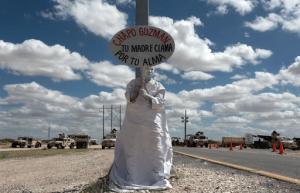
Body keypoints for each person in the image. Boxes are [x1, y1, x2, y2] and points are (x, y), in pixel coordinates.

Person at [109, 67, 173, 192]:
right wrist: (137, 89)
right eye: (145, 69)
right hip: (134, 121)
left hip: (152, 121)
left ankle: (156, 177)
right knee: (134, 147)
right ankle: (134, 176)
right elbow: (130, 98)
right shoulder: (133, 83)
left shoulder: (159, 85)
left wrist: (148, 96)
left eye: (151, 69)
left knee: (155, 146)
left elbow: (160, 103)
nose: (148, 71)